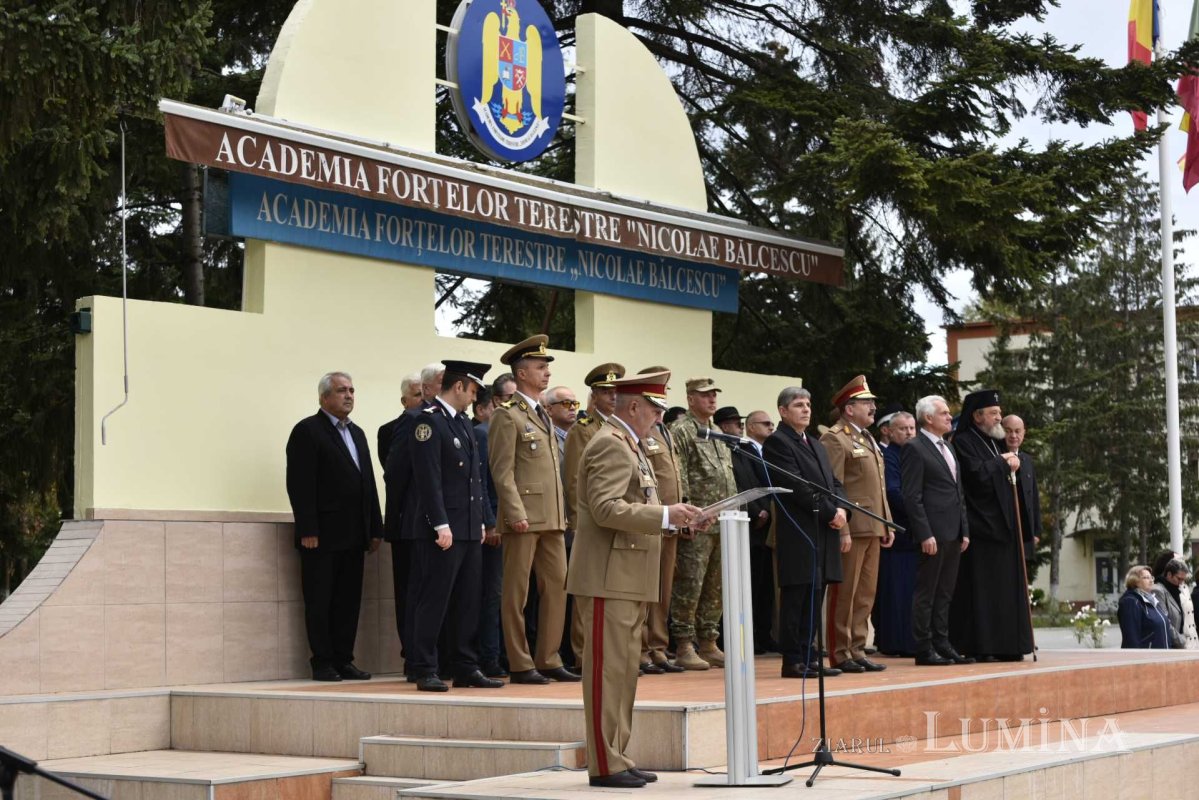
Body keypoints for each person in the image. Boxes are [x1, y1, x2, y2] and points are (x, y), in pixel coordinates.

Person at [566, 371, 703, 789]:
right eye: (656, 409)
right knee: (607, 673)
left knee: (624, 673)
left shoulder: (632, 444)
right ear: (634, 407)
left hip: (626, 575)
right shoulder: (610, 444)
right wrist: (664, 515)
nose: (660, 417)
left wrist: (675, 517)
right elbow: (606, 509)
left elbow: (636, 503)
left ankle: (618, 756)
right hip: (609, 576)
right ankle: (605, 763)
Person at [404, 360, 503, 692]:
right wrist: (440, 524)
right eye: (473, 391)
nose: (474, 398)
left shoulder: (461, 423)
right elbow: (428, 480)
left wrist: (481, 523)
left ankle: (465, 665)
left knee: (467, 600)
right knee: (434, 599)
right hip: (442, 529)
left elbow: (473, 480)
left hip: (467, 527)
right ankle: (424, 666)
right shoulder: (428, 422)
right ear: (458, 387)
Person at [488, 335, 579, 685]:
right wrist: (514, 512)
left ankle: (549, 657)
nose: (546, 374)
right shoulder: (507, 415)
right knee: (516, 593)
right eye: (541, 368)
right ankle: (520, 662)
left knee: (557, 587)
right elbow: (502, 470)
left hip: (553, 519)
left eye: (546, 368)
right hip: (523, 518)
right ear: (522, 373)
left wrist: (565, 513)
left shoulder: (542, 414)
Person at [285, 371, 382, 681]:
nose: (349, 395)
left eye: (352, 390)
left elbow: (368, 483)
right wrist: (308, 529)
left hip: (354, 536)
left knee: (348, 601)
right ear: (324, 397)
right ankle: (322, 661)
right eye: (342, 390)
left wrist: (375, 528)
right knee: (320, 600)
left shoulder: (358, 434)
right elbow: (300, 484)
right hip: (322, 537)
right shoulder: (308, 431)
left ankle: (344, 659)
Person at [762, 386, 847, 679]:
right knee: (797, 595)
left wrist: (842, 509)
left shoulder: (815, 444)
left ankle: (810, 655)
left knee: (816, 593)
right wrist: (830, 511)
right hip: (799, 530)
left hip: (822, 530)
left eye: (808, 404)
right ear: (783, 411)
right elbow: (796, 486)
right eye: (799, 405)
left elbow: (833, 482)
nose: (806, 409)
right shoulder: (777, 443)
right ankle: (793, 659)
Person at [949, 389, 1035, 662]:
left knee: (1007, 592)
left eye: (999, 412)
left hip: (1005, 529)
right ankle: (985, 646)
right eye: (994, 414)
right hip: (982, 530)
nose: (999, 418)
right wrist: (1001, 462)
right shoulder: (963, 442)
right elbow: (974, 476)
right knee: (985, 594)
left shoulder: (994, 442)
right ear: (977, 416)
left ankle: (1010, 645)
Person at [820, 376, 893, 673]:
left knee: (865, 594)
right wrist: (843, 529)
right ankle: (840, 651)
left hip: (873, 526)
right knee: (845, 592)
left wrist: (886, 522)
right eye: (867, 403)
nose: (873, 407)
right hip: (852, 527)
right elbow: (833, 486)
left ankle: (858, 648)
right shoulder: (835, 438)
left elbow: (879, 487)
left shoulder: (867, 438)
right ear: (849, 409)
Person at [669, 377, 738, 670]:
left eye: (713, 395)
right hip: (697, 522)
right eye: (704, 395)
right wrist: (686, 518)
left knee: (715, 585)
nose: (711, 400)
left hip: (723, 521)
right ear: (690, 398)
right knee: (690, 583)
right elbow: (679, 474)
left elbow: (726, 476)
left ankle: (709, 640)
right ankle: (684, 643)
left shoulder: (716, 433)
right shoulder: (682, 430)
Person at [901, 397, 974, 666]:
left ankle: (942, 643)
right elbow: (912, 496)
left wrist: (964, 529)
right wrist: (924, 533)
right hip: (932, 533)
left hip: (953, 532)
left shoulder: (948, 447)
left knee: (945, 592)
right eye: (944, 413)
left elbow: (958, 492)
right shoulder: (915, 447)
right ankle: (924, 647)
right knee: (927, 592)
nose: (949, 416)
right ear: (928, 418)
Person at [382, 362, 443, 677]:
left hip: (439, 523)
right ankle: (415, 658)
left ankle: (432, 655)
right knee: (414, 591)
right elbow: (396, 474)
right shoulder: (409, 422)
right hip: (413, 522)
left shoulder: (444, 420)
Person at [563, 363, 625, 667]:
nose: (612, 397)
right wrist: (577, 521)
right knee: (587, 587)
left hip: (619, 517)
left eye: (616, 392)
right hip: (591, 520)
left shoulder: (621, 428)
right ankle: (581, 653)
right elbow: (575, 480)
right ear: (594, 395)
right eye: (605, 392)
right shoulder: (582, 429)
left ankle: (609, 652)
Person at [635, 366, 687, 674]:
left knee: (664, 589)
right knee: (645, 589)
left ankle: (657, 645)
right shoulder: (641, 431)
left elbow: (676, 477)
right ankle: (641, 648)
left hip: (672, 519)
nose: (662, 401)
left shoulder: (666, 430)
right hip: (651, 518)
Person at [873, 410, 919, 657]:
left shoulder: (912, 453)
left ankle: (909, 640)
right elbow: (893, 491)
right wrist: (920, 511)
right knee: (897, 591)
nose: (909, 433)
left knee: (910, 590)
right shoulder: (890, 456)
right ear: (889, 431)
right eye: (903, 429)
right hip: (900, 533)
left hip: (915, 532)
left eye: (912, 428)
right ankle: (896, 642)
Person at [732, 409, 777, 653]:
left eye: (772, 424)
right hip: (752, 524)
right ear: (750, 427)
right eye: (765, 423)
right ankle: (751, 636)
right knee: (751, 584)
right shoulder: (741, 450)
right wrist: (757, 509)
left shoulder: (767, 452)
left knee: (766, 587)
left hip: (769, 525)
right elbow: (742, 484)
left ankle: (764, 633)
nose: (771, 427)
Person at [475, 376, 511, 678]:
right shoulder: (483, 433)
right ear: (495, 402)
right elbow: (484, 484)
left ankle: (506, 653)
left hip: (517, 524)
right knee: (492, 594)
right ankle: (490, 657)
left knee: (512, 595)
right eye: (509, 397)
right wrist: (491, 522)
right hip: (496, 525)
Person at [1002, 415, 1042, 551]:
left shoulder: (1027, 460)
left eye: (1017, 431)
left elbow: (1034, 497)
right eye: (1008, 431)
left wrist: (1035, 530)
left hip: (1025, 531)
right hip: (1005, 531)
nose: (1013, 435)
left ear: (1024, 433)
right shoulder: (995, 459)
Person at [377, 371, 423, 467]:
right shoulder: (388, 431)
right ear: (404, 401)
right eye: (418, 394)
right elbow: (392, 472)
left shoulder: (438, 424)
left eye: (425, 395)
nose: (423, 399)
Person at [1150, 557, 1197, 650]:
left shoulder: (1179, 589)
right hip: (1171, 645)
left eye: (1183, 579)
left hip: (1187, 642)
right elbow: (1164, 621)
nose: (1181, 582)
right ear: (1169, 574)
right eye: (1179, 579)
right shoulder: (1158, 590)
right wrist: (1182, 641)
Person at [1118, 565, 1171, 649]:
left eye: (1151, 577)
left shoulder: (1152, 599)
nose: (1151, 581)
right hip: (1146, 658)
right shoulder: (1130, 601)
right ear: (1135, 581)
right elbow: (1131, 638)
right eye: (1146, 578)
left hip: (1161, 656)